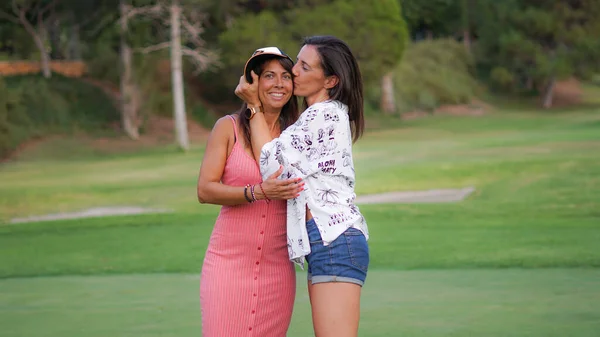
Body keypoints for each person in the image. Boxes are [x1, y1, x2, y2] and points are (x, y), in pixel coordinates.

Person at [235, 36, 370, 337]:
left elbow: (271, 166)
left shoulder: (322, 114)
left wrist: (254, 107)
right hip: (329, 241)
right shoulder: (317, 115)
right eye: (296, 61)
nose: (293, 70)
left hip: (334, 240)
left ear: (330, 80)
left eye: (304, 66)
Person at [197, 47, 305, 336]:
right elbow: (205, 190)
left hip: (278, 268)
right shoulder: (228, 128)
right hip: (228, 264)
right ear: (251, 83)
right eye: (268, 75)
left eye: (286, 76)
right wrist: (256, 192)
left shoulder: (296, 133)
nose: (279, 83)